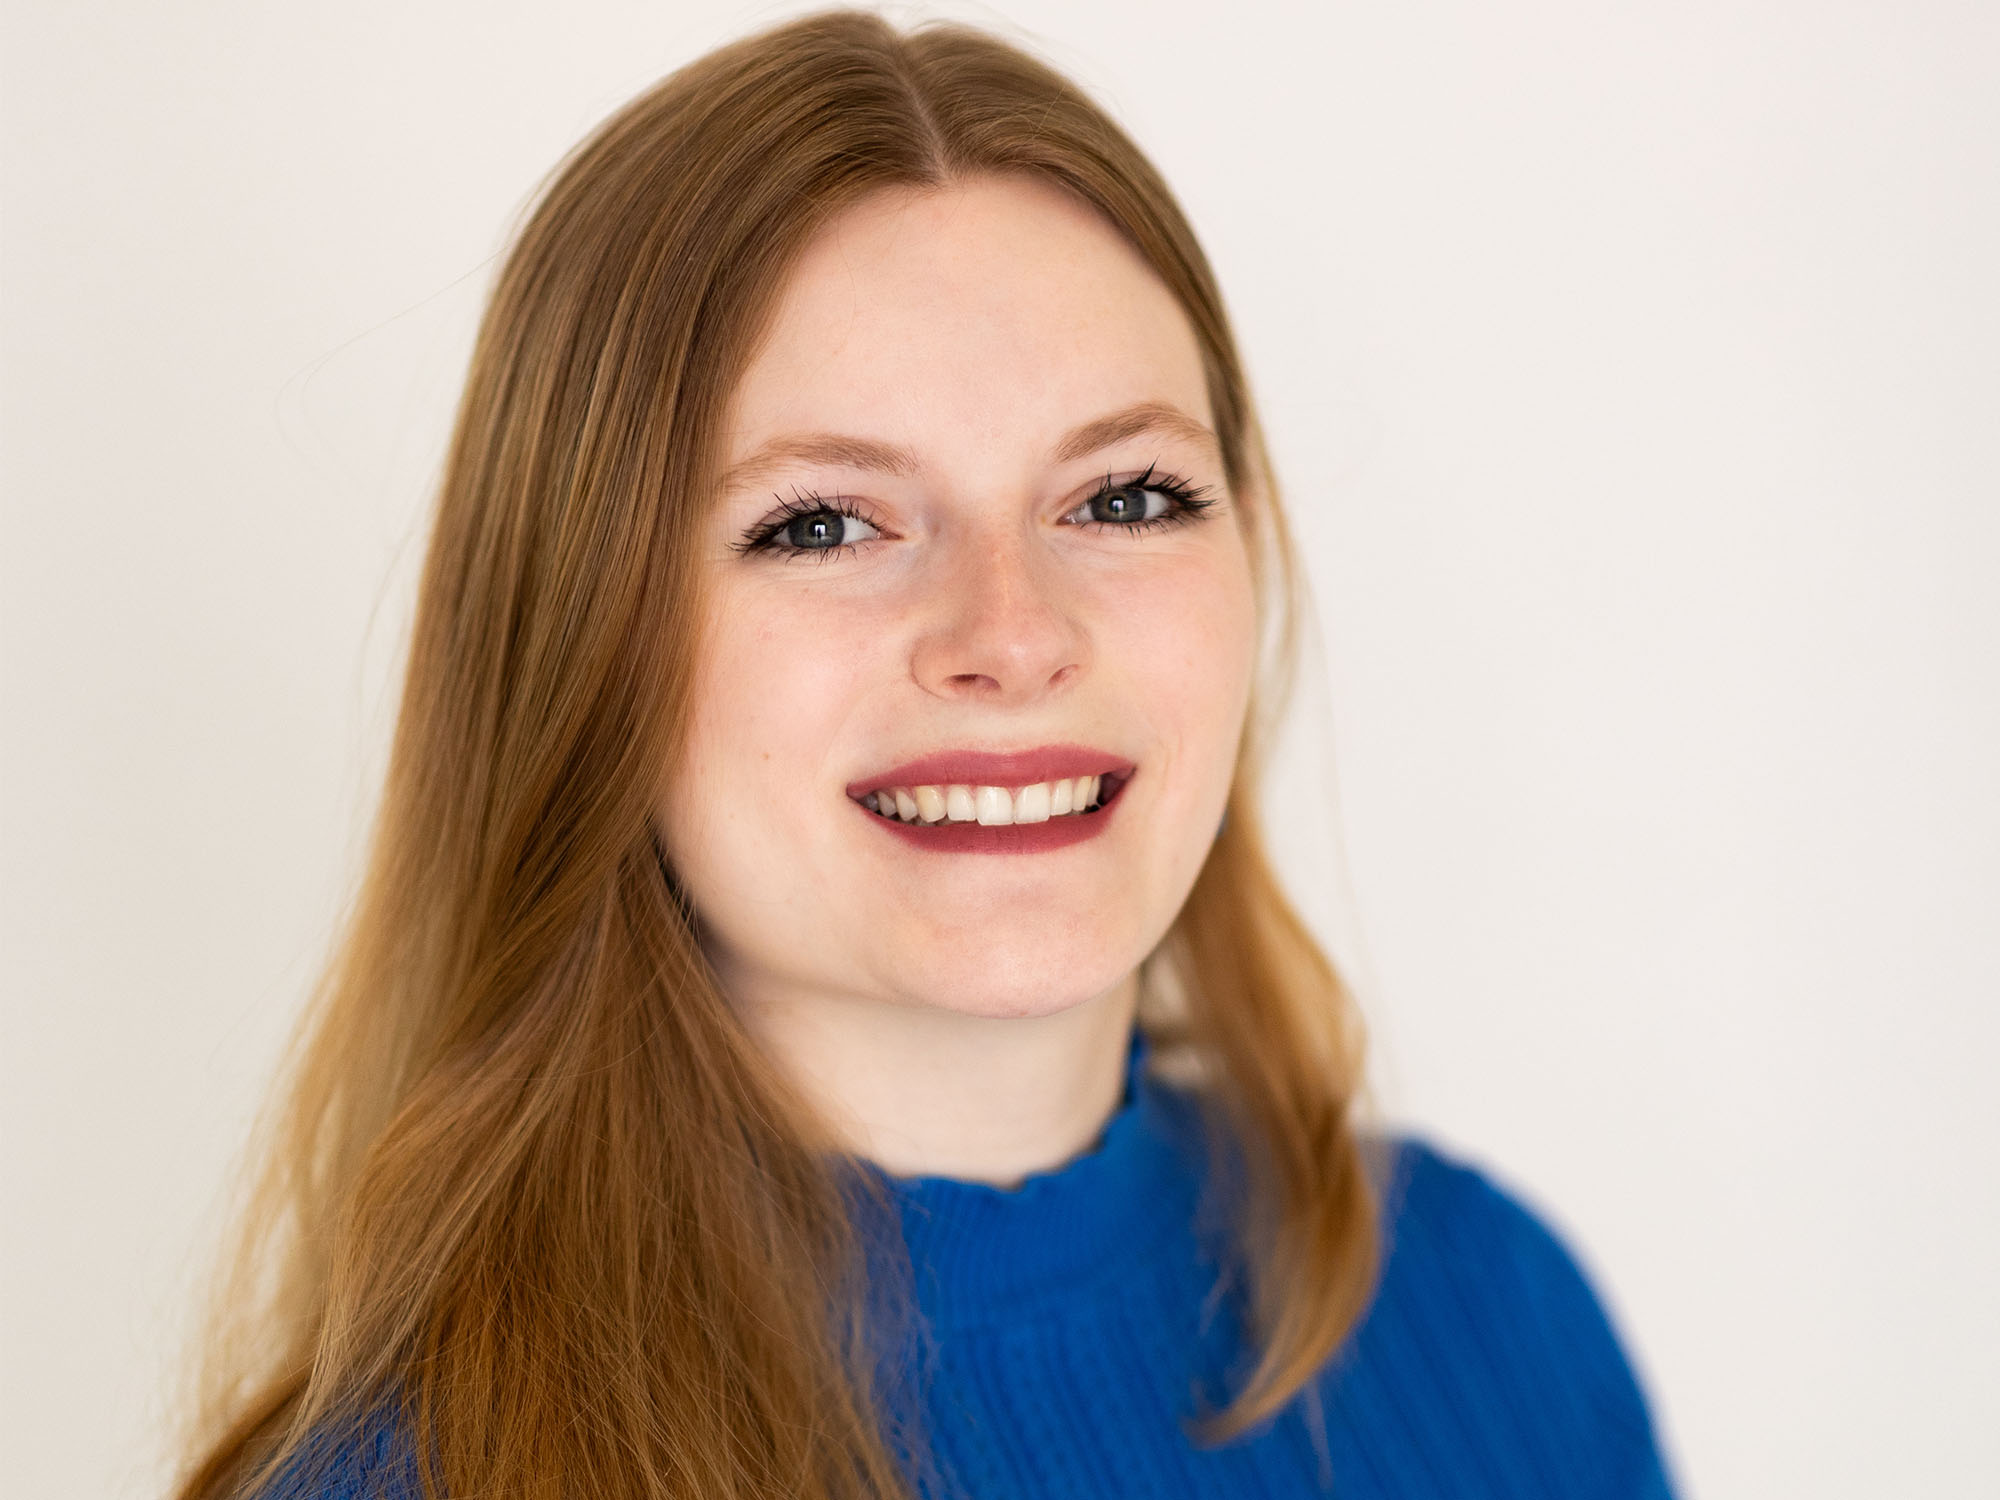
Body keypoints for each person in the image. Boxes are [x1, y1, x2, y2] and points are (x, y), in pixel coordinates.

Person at [172, 9, 1680, 1498]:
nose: (1013, 634)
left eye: (1126, 498)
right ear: (581, 641)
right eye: (823, 523)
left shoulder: (1492, 1309)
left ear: (1253, 559)